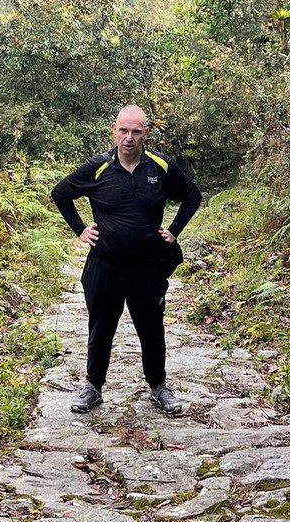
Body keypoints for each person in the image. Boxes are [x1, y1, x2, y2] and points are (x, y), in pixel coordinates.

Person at [51, 105, 202, 415]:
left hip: (147, 267)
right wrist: (81, 230)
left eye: (136, 131)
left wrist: (173, 231)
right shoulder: (98, 167)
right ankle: (93, 386)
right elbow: (61, 193)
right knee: (100, 326)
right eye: (124, 130)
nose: (129, 137)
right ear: (114, 131)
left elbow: (192, 196)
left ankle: (159, 386)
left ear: (146, 133)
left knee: (151, 328)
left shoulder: (160, 167)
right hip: (104, 266)